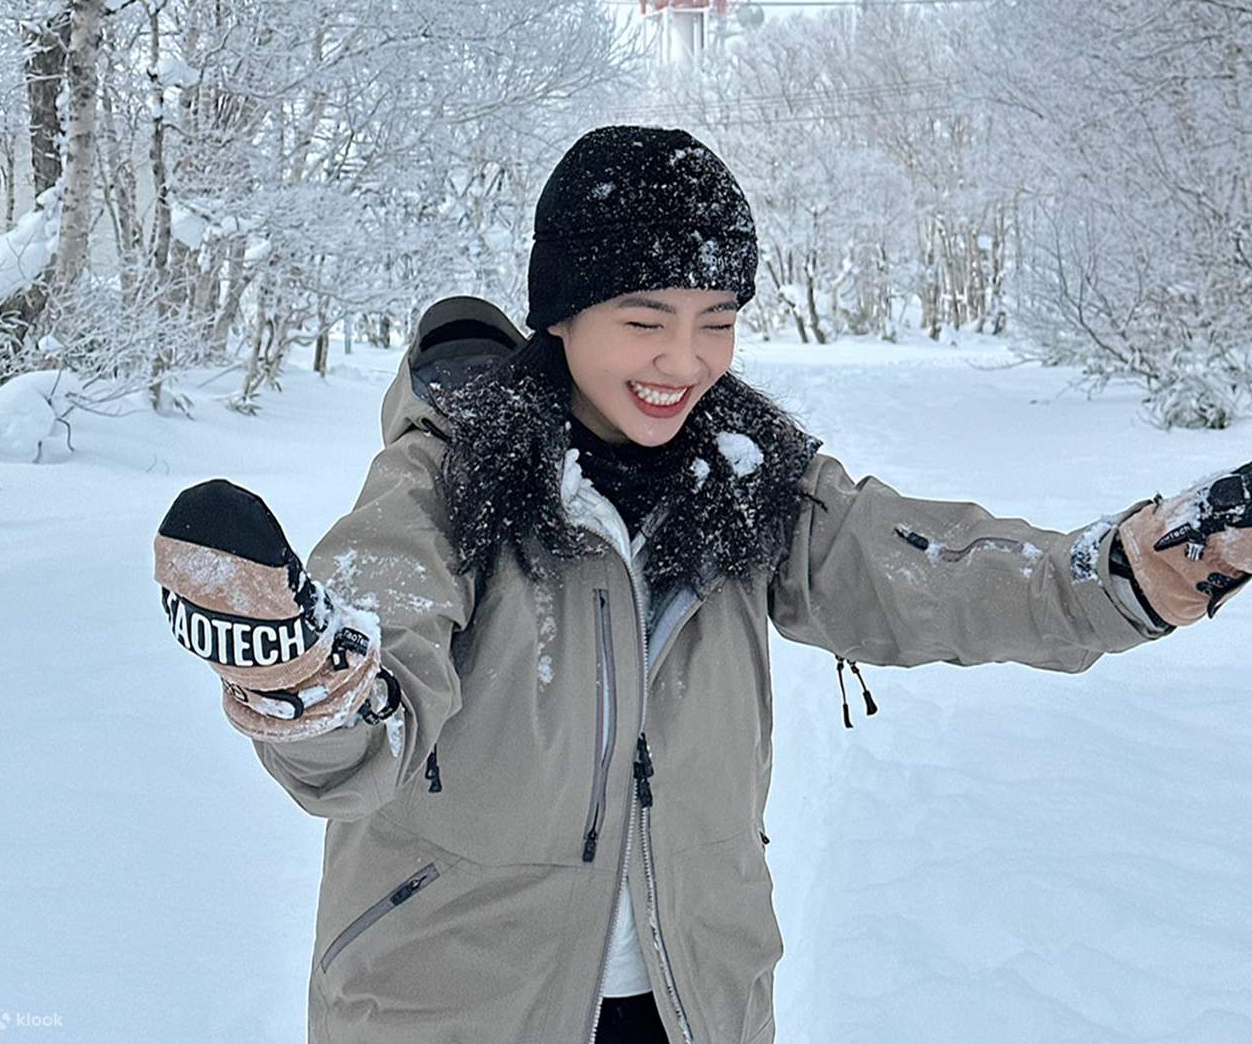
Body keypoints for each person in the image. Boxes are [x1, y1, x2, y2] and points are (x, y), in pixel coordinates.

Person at [152, 125, 1252, 1044]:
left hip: (693, 999)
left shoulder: (745, 480)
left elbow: (922, 569)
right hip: (457, 999)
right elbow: (380, 650)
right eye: (644, 320)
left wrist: (1122, 572)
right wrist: (315, 689)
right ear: (560, 316)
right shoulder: (449, 476)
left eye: (716, 320)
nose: (685, 361)